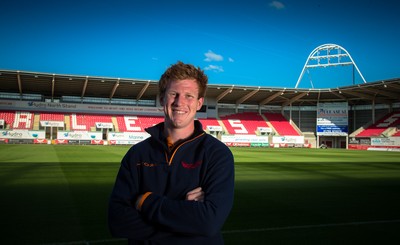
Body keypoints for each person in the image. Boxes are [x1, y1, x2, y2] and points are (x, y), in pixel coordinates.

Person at [108, 61, 235, 245]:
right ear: (162, 98)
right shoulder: (137, 155)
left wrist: (146, 201)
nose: (179, 102)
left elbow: (208, 223)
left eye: (189, 96)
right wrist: (188, 222)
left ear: (199, 103)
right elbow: (117, 221)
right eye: (173, 94)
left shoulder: (217, 154)